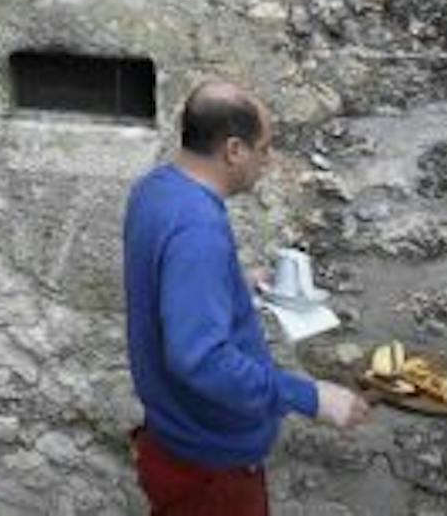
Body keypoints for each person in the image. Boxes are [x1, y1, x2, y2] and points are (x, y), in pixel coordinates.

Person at [123, 80, 371, 513]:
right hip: (208, 465)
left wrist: (233, 282)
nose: (268, 162)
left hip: (173, 439)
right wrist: (311, 397)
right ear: (234, 150)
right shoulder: (198, 231)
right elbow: (200, 359)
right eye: (264, 149)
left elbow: (166, 277)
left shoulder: (156, 188)